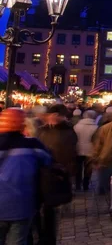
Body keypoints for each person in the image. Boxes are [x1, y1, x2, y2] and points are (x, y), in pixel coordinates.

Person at [0, 108, 51, 245]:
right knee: (18, 241)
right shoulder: (33, 145)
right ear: (23, 125)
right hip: (22, 203)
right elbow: (49, 163)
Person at [37, 104, 78, 245]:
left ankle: (48, 239)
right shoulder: (41, 131)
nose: (54, 117)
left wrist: (65, 171)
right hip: (41, 173)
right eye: (52, 114)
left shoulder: (69, 131)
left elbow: (71, 153)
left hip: (57, 174)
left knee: (50, 210)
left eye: (57, 115)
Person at [73, 110, 98, 192]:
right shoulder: (96, 127)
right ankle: (86, 185)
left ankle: (77, 185)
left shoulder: (77, 126)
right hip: (90, 150)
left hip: (78, 149)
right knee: (88, 169)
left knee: (78, 168)